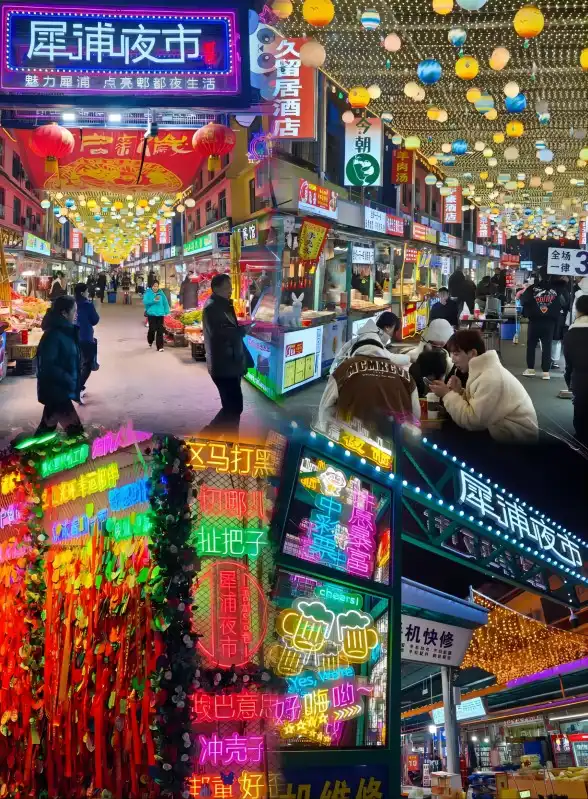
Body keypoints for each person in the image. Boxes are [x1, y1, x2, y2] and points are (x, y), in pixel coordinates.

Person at [429, 329, 538, 443]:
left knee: (450, 435)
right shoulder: (485, 371)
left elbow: (472, 421)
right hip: (505, 430)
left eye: (456, 354)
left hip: (517, 440)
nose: (452, 359)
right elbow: (479, 406)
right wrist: (459, 392)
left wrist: (447, 394)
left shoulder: (491, 378)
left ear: (473, 353)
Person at [318, 318, 420, 436]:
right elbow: (416, 415)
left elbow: (325, 409)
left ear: (354, 350)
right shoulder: (406, 377)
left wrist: (326, 434)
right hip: (395, 440)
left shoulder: (342, 370)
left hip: (353, 440)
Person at [202, 273, 252, 433]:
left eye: (231, 287)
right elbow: (219, 333)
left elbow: (227, 328)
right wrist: (242, 330)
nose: (231, 290)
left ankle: (231, 440)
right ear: (216, 288)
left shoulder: (223, 304)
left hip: (231, 362)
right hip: (223, 365)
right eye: (227, 287)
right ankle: (208, 435)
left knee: (233, 407)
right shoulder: (212, 308)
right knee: (233, 407)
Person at [35, 295, 83, 435]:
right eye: (74, 311)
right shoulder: (54, 335)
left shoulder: (66, 331)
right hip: (57, 391)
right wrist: (68, 379)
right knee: (76, 434)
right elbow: (47, 366)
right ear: (64, 313)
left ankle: (32, 448)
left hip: (59, 391)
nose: (76, 314)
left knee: (46, 429)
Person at [330, 314, 408, 375]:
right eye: (393, 330)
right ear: (387, 327)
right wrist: (409, 358)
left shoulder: (367, 336)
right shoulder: (372, 340)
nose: (392, 335)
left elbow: (340, 354)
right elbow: (389, 358)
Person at [520, 277, 564, 379]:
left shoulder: (532, 288)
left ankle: (530, 369)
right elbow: (564, 302)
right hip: (549, 322)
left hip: (534, 321)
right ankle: (546, 372)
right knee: (547, 346)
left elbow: (523, 301)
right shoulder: (556, 289)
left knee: (531, 345)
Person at [563, 293, 588, 444]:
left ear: (577, 311)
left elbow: (569, 365)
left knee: (581, 416)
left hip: (581, 380)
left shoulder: (570, 334)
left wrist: (570, 385)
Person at [74, 282, 99, 404]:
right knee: (87, 364)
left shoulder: (71, 304)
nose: (88, 293)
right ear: (83, 293)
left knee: (77, 364)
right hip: (85, 337)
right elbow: (95, 320)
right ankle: (77, 388)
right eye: (87, 291)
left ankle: (77, 386)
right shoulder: (87, 305)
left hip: (73, 337)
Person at [143, 279, 170, 351]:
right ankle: (150, 340)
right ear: (151, 286)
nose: (155, 288)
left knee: (160, 330)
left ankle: (160, 347)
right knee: (152, 329)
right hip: (151, 314)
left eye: (157, 286)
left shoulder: (161, 293)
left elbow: (165, 303)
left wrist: (167, 312)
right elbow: (145, 302)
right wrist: (153, 301)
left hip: (160, 314)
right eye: (154, 286)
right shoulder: (148, 293)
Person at [550, 275, 571, 368]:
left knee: (548, 339)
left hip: (549, 317)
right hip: (560, 318)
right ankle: (553, 360)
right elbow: (567, 305)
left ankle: (547, 359)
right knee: (556, 340)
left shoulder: (550, 290)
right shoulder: (565, 291)